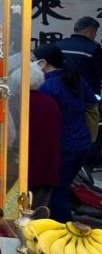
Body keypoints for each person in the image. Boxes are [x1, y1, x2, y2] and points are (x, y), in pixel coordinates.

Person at [34, 43, 94, 222]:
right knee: (63, 189)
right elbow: (92, 103)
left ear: (43, 63)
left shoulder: (47, 86)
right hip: (82, 144)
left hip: (64, 146)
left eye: (33, 61)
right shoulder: (75, 78)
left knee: (57, 194)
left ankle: (66, 231)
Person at [53, 17, 102, 165]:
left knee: (63, 127)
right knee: (90, 128)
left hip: (60, 95)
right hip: (87, 97)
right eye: (95, 32)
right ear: (89, 31)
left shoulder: (59, 45)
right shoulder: (93, 48)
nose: (95, 35)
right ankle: (88, 162)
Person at [25, 61, 62, 214]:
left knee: (19, 214)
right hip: (47, 167)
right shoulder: (50, 102)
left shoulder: (20, 103)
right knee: (39, 213)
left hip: (26, 169)